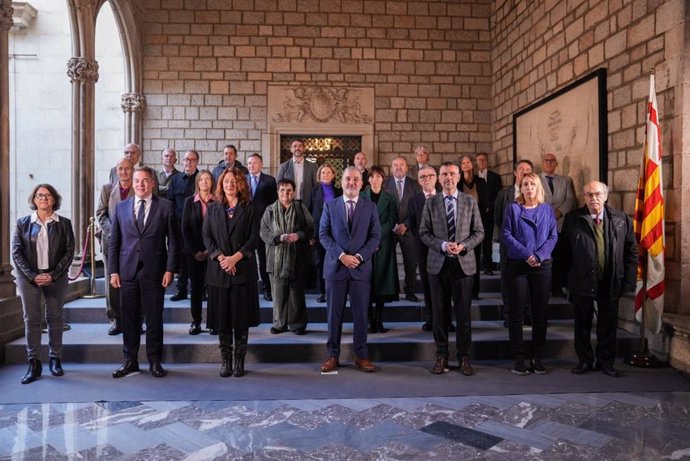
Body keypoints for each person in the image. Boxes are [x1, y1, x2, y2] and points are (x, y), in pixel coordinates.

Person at [109, 166, 179, 379]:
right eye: (137, 180)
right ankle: (130, 360)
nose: (140, 184)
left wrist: (170, 269)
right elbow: (115, 242)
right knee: (129, 319)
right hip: (127, 271)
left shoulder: (166, 207)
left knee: (154, 318)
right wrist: (113, 271)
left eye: (145, 181)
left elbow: (174, 242)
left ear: (152, 183)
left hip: (155, 271)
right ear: (132, 183)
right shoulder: (121, 208)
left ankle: (155, 360)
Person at [562, 181, 637, 378]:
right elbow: (563, 253)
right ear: (583, 197)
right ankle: (585, 361)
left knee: (608, 324)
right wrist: (564, 282)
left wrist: (628, 282)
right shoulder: (573, 219)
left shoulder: (621, 220)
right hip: (582, 281)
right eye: (588, 195)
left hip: (610, 281)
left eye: (597, 194)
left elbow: (631, 252)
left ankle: (606, 362)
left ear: (605, 196)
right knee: (582, 324)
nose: (593, 198)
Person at [420, 161, 484, 376]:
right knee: (439, 314)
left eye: (452, 174)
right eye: (444, 174)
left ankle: (464, 357)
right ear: (439, 178)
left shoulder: (469, 201)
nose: (448, 178)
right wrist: (442, 245)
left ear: (458, 177)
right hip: (438, 264)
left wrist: (464, 245)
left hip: (463, 265)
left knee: (463, 314)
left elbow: (479, 232)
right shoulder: (431, 203)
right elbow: (424, 232)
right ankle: (441, 356)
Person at [319, 166, 381, 373]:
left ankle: (361, 356)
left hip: (361, 269)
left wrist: (359, 257)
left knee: (361, 315)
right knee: (333, 315)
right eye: (347, 179)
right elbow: (323, 235)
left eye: (355, 179)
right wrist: (342, 256)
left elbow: (375, 237)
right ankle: (332, 355)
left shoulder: (370, 207)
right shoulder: (330, 206)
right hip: (335, 268)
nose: (351, 183)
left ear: (362, 183)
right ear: (341, 182)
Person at [12, 184, 75, 384]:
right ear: (34, 199)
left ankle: (55, 359)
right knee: (31, 319)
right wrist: (32, 276)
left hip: (55, 277)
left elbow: (69, 251)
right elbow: (16, 252)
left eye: (48, 195)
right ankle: (34, 363)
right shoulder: (23, 223)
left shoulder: (64, 223)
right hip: (29, 278)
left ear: (54, 199)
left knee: (55, 317)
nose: (44, 199)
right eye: (40, 195)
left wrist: (53, 275)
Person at [203, 168, 260, 378]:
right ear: (221, 184)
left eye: (234, 182)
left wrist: (236, 257)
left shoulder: (250, 207)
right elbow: (207, 237)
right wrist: (221, 258)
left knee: (241, 319)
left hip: (242, 270)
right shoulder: (213, 208)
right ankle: (225, 361)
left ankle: (239, 361)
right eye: (226, 181)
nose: (230, 185)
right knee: (222, 320)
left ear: (241, 184)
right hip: (219, 271)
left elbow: (254, 238)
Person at [502, 172, 557, 375]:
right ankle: (518, 358)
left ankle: (537, 357)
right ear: (521, 188)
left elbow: (553, 236)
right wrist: (526, 254)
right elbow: (506, 235)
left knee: (539, 313)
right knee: (516, 313)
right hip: (518, 264)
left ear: (538, 188)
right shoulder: (512, 209)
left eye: (532, 184)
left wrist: (539, 256)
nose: (529, 188)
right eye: (525, 184)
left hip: (541, 266)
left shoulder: (547, 210)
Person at [260, 178, 314, 335]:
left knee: (296, 293)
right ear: (277, 192)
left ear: (294, 192)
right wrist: (278, 238)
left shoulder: (300, 208)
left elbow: (310, 227)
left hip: (297, 258)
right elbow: (263, 232)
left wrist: (299, 235)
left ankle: (297, 324)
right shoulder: (269, 210)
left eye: (289, 190)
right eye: (282, 190)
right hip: (275, 258)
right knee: (278, 293)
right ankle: (279, 323)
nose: (286, 193)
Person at [406, 166, 456, 333]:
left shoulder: (446, 197)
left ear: (437, 178)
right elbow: (412, 225)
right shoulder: (414, 201)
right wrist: (426, 241)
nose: (426, 179)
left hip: (445, 248)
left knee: (446, 285)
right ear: (419, 181)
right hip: (423, 250)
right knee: (427, 285)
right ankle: (431, 319)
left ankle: (447, 320)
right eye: (422, 177)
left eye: (430, 175)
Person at [96, 157, 135, 335]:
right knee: (112, 284)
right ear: (116, 171)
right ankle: (116, 320)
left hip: (134, 244)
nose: (124, 172)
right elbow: (101, 213)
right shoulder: (107, 189)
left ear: (132, 170)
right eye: (120, 169)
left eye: (127, 169)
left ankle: (136, 319)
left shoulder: (139, 186)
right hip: (111, 242)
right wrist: (113, 232)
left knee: (134, 282)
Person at [494, 159, 533, 327]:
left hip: (529, 246)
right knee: (508, 281)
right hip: (509, 246)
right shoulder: (504, 195)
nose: (524, 171)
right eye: (521, 169)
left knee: (529, 281)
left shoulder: (536, 194)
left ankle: (527, 314)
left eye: (528, 169)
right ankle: (509, 315)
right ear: (515, 173)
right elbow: (497, 219)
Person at [360, 165, 399, 333]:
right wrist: (370, 240)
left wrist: (377, 238)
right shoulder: (361, 196)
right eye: (372, 177)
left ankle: (379, 320)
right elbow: (358, 221)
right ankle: (369, 320)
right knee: (367, 283)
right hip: (365, 245)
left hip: (383, 245)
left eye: (379, 177)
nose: (375, 179)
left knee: (382, 282)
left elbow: (392, 220)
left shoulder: (390, 197)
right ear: (368, 179)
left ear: (383, 179)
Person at [181, 170, 215, 335]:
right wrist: (196, 251)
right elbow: (185, 229)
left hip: (214, 253)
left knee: (213, 288)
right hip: (193, 253)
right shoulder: (189, 202)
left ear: (212, 182)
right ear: (197, 183)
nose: (204, 182)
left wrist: (211, 250)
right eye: (201, 179)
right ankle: (196, 322)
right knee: (196, 288)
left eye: (207, 179)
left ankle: (214, 322)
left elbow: (220, 229)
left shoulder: (218, 201)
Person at [384, 156, 421, 302]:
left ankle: (410, 291)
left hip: (409, 228)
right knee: (387, 260)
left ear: (407, 168)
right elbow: (382, 208)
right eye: (395, 165)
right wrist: (392, 225)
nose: (398, 167)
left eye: (402, 165)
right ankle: (390, 291)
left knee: (411, 262)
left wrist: (405, 225)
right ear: (391, 168)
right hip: (389, 229)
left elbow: (418, 208)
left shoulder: (415, 185)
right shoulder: (385, 184)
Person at [539, 152, 577, 298]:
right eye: (546, 160)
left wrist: (560, 212)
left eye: (552, 161)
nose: (549, 163)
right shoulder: (536, 179)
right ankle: (543, 287)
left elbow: (570, 199)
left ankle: (557, 287)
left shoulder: (565, 180)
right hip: (542, 223)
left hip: (560, 223)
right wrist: (548, 213)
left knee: (559, 257)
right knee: (544, 257)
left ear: (556, 164)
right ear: (542, 163)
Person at [167, 150, 200, 301]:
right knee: (181, 260)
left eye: (192, 160)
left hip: (197, 229)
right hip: (179, 228)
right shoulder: (175, 180)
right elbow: (170, 203)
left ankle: (200, 290)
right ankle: (181, 291)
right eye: (186, 159)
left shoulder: (202, 178)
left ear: (197, 162)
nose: (189, 162)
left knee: (198, 259)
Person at [245, 153, 277, 302]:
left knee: (264, 260)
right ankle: (247, 289)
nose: (251, 165)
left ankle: (267, 289)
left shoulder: (270, 181)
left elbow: (273, 205)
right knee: (245, 258)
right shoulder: (242, 180)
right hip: (246, 226)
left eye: (254, 163)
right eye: (249, 163)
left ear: (261, 164)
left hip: (264, 226)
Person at [309, 163, 342, 303]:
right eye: (323, 173)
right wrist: (310, 235)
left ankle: (334, 291)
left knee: (335, 262)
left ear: (333, 175)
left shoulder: (339, 192)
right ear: (319, 175)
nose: (326, 175)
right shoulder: (314, 191)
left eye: (328, 172)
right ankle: (322, 292)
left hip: (336, 233)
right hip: (318, 233)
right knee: (320, 262)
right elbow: (309, 213)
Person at [457, 154, 488, 300]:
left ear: (472, 164)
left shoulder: (481, 182)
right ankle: (461, 291)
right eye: (463, 162)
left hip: (476, 225)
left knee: (475, 258)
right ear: (460, 166)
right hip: (461, 226)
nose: (465, 164)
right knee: (461, 259)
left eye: (468, 162)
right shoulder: (457, 182)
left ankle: (474, 292)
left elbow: (485, 201)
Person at [476, 153, 502, 275]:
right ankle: (475, 267)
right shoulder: (474, 178)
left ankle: (488, 266)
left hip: (489, 214)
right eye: (479, 160)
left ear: (487, 162)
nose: (481, 162)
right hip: (475, 214)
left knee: (487, 241)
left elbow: (498, 194)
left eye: (484, 160)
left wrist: (489, 206)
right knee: (475, 241)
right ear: (476, 162)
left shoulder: (495, 177)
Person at [276, 139, 318, 209]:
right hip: (288, 203)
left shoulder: (312, 166)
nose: (297, 148)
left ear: (304, 149)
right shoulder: (283, 166)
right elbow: (278, 186)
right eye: (295, 146)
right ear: (291, 149)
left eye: (300, 146)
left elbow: (316, 186)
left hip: (307, 204)